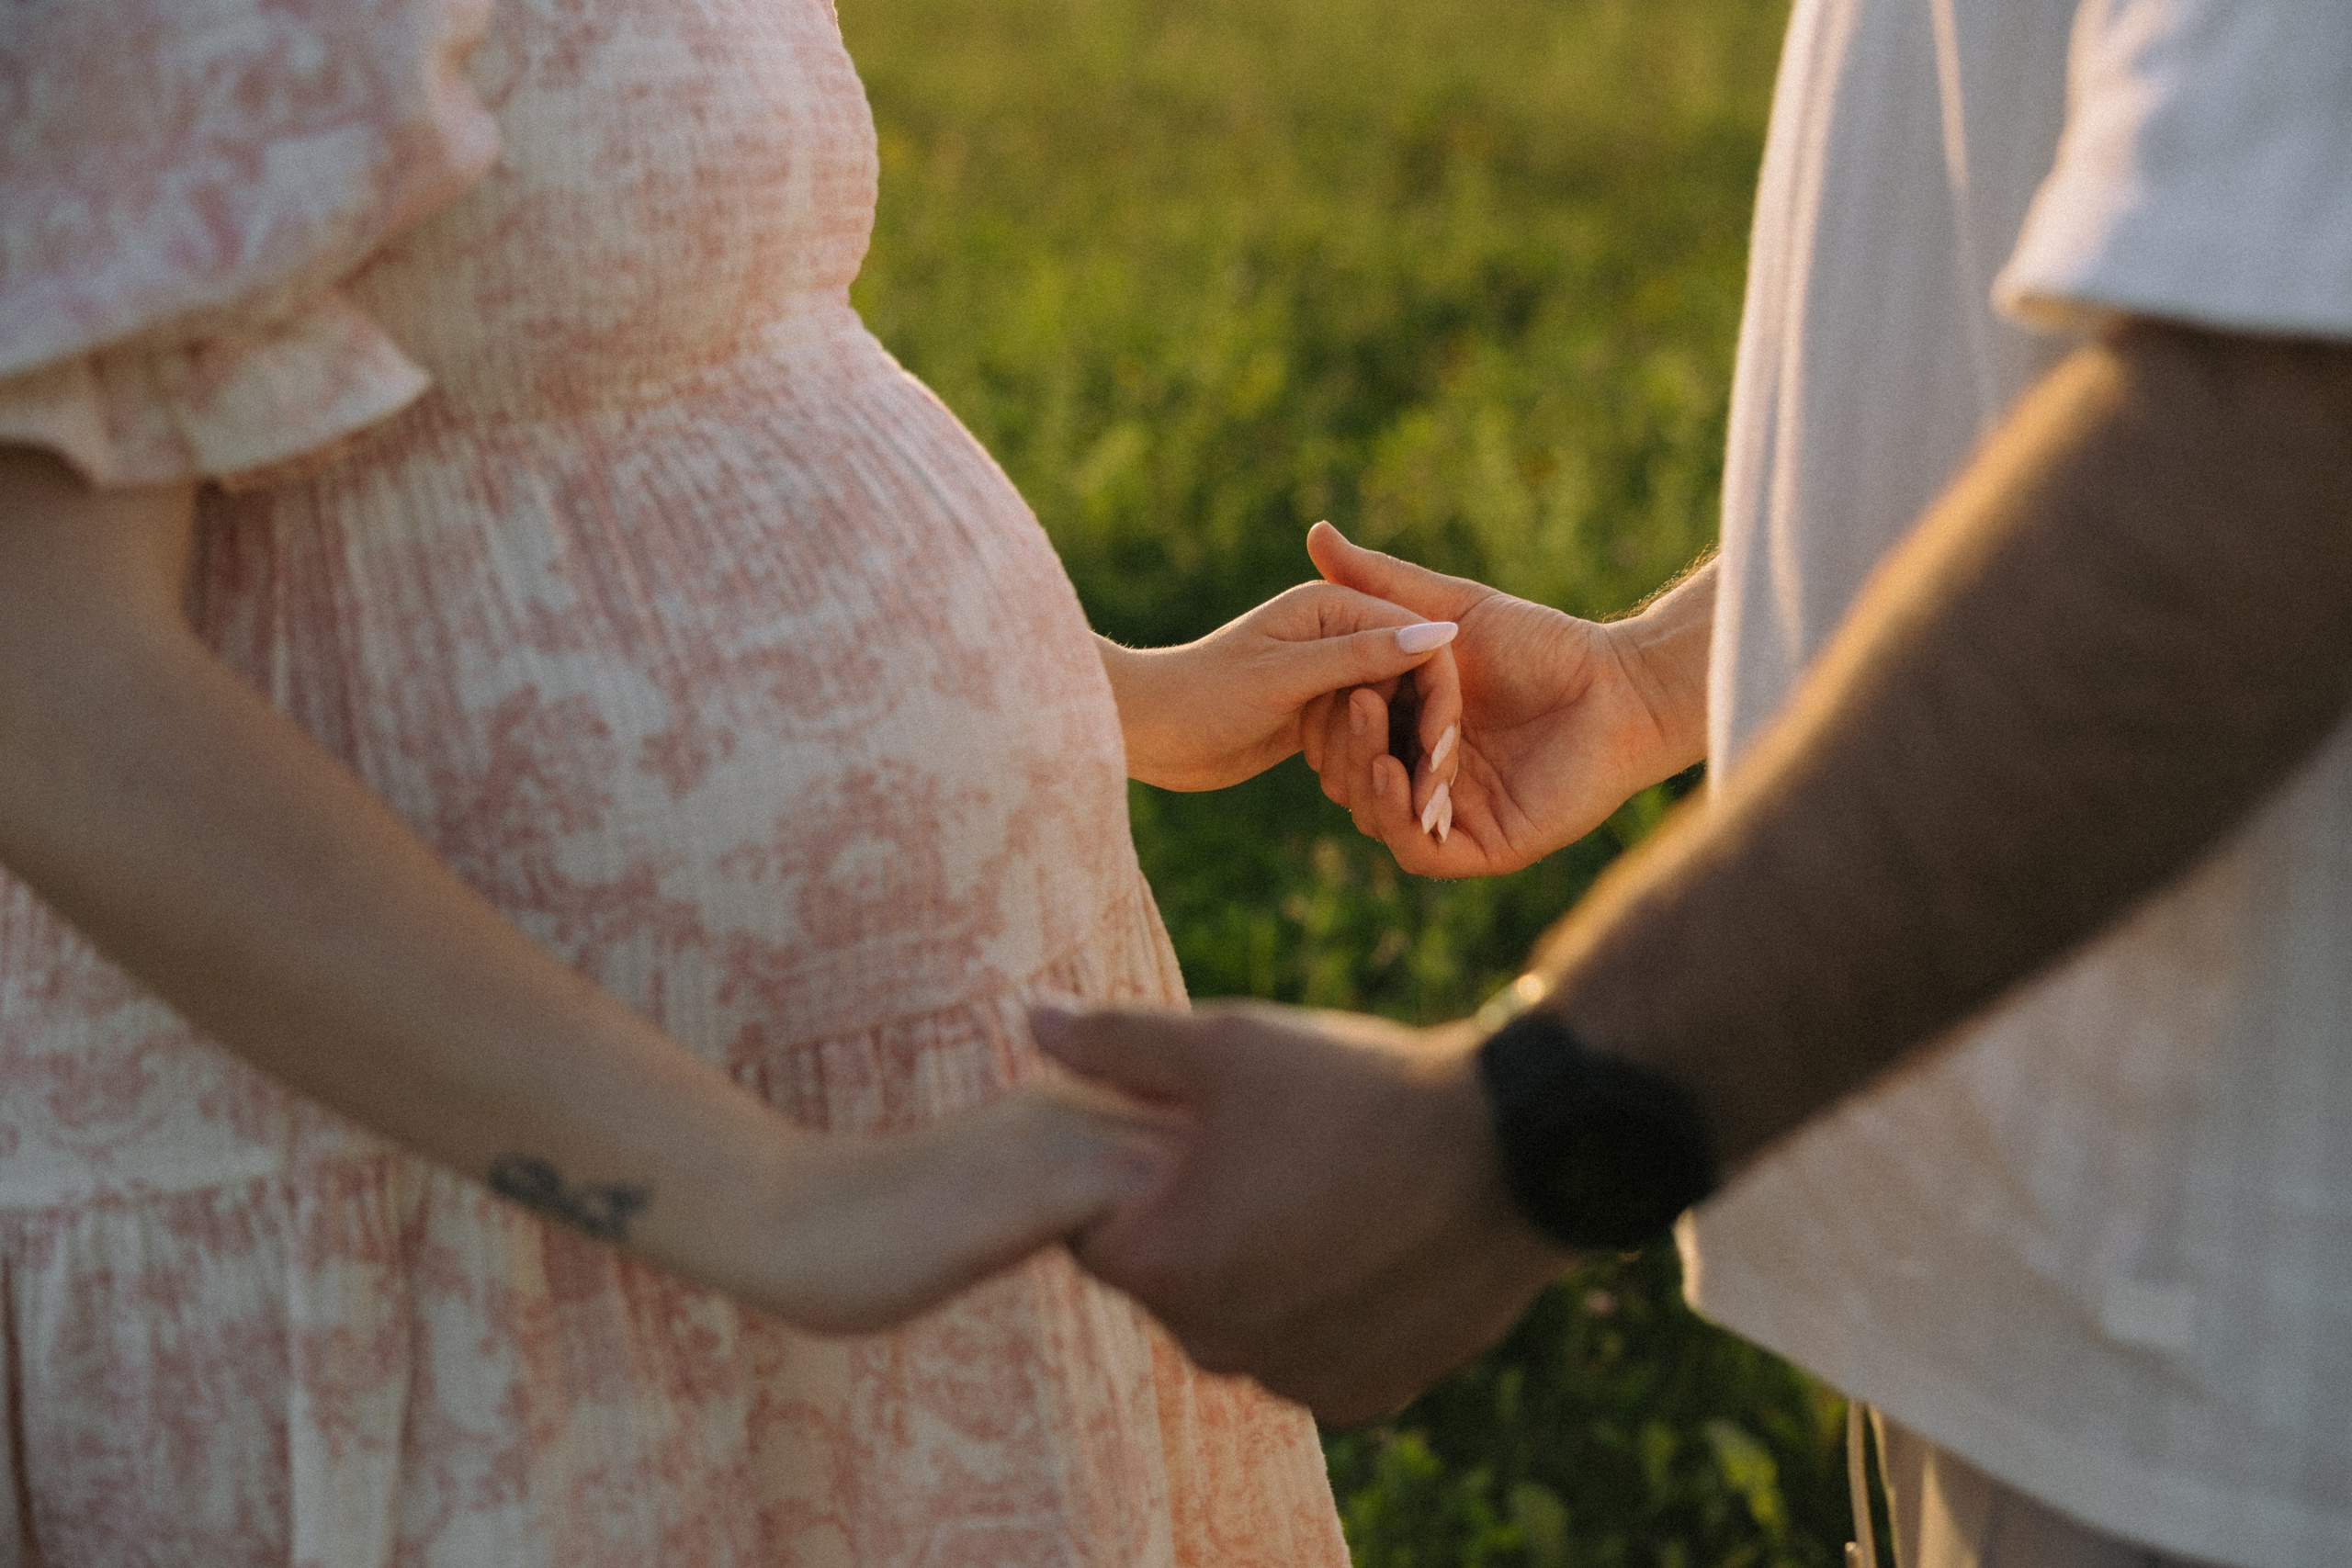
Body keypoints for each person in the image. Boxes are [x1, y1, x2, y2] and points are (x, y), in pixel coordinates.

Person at [0, 0, 1471, 1562]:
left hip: (846, 1148)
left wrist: (1111, 694)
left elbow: (653, 363)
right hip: (485, 1233)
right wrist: (771, 1201)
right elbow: (46, 687)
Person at [1038, 4, 2352, 1566]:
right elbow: (2110, 350)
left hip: (2228, 1356)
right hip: (2061, 1274)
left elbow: (2278, 445)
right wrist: (1661, 676)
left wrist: (1526, 1132)